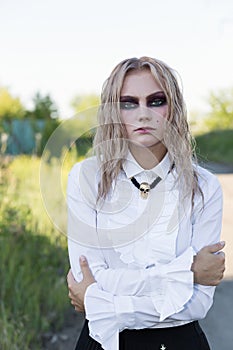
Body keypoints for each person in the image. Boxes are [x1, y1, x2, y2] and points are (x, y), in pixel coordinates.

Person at [66, 56, 225, 350]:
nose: (143, 114)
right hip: (103, 342)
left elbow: (199, 303)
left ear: (173, 108)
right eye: (128, 102)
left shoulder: (204, 187)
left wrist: (107, 307)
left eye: (156, 101)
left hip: (180, 342)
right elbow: (87, 278)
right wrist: (187, 273)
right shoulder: (85, 178)